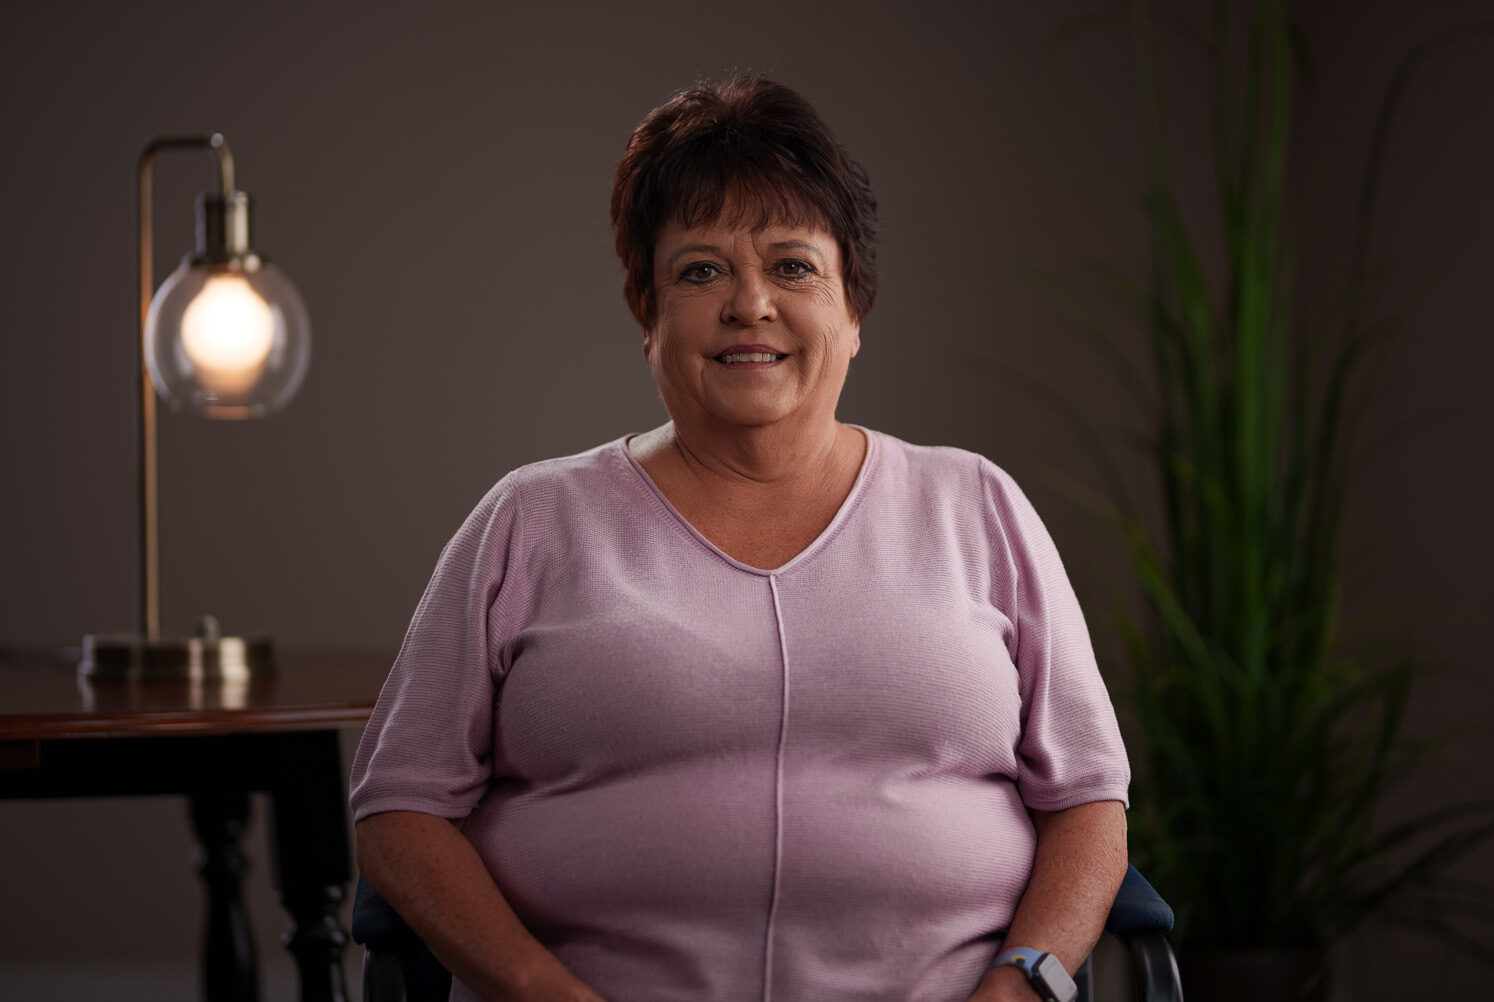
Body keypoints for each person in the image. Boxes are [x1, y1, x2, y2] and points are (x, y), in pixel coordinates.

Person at [350, 76, 1129, 1002]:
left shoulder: (977, 506)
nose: (748, 304)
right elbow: (398, 808)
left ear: (853, 312)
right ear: (649, 314)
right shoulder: (530, 520)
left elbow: (1087, 799)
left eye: (793, 267)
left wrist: (1022, 986)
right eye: (701, 270)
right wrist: (537, 990)